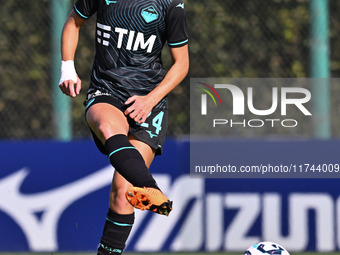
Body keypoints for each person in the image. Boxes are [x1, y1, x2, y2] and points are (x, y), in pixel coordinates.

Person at [58, 0, 189, 254]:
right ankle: (152, 188)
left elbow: (181, 63)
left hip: (149, 102)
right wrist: (67, 68)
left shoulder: (170, 5)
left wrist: (149, 101)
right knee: (109, 127)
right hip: (106, 90)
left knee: (123, 193)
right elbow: (73, 23)